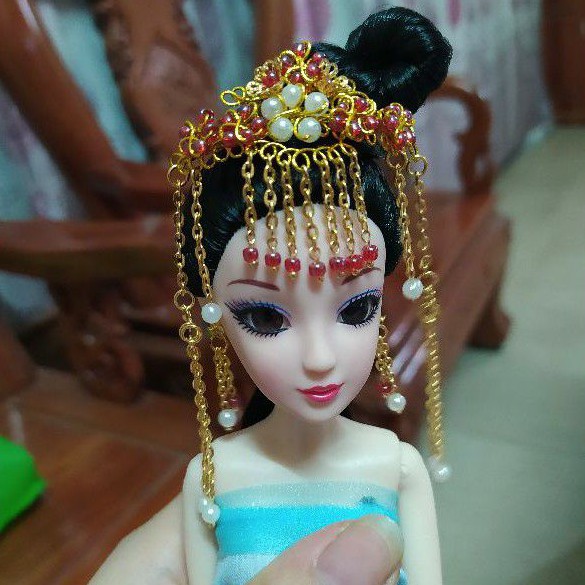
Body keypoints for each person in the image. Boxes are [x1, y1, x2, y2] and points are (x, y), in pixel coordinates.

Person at [91, 6, 452, 584]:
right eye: (264, 316)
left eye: (357, 308)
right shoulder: (211, 481)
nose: (319, 358)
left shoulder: (396, 467)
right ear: (214, 312)